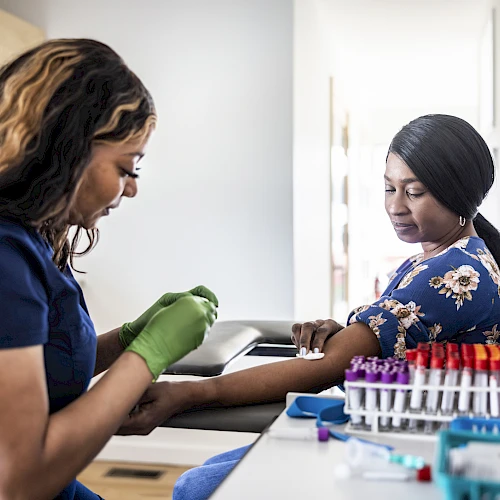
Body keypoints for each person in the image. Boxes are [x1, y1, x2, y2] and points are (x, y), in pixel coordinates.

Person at [118, 114, 500, 500]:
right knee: (204, 475)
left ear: (458, 195)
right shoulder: (451, 256)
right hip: (401, 431)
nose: (394, 206)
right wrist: (349, 334)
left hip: (412, 454)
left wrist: (190, 393)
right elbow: (393, 352)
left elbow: (333, 366)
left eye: (413, 192)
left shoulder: (454, 272)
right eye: (389, 188)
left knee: (194, 489)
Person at [0, 38, 219, 500]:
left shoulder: (31, 240)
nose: (132, 189)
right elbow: (19, 481)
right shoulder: (5, 258)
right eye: (127, 168)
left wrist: (127, 341)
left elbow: (42, 365)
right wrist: (151, 354)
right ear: (70, 149)